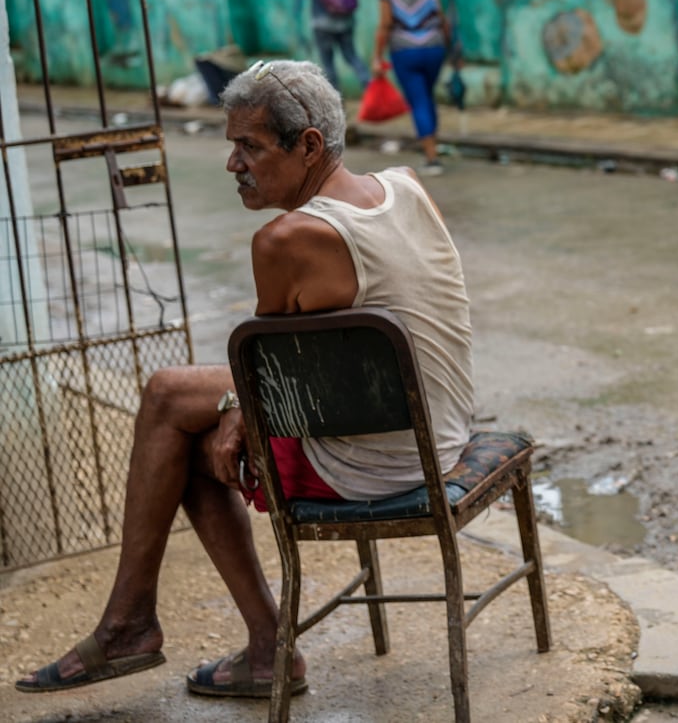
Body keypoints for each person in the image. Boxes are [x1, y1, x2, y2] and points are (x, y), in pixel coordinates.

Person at [16, 59, 474, 700]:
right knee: (172, 398)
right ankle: (151, 626)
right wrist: (238, 399)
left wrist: (238, 405)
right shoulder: (404, 184)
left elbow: (270, 379)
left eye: (249, 146)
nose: (234, 164)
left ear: (308, 145)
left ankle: (227, 640)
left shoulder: (288, 238)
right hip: (439, 433)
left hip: (379, 461)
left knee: (185, 442)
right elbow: (279, 364)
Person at [371, 0, 453, 176]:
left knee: (418, 100)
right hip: (434, 48)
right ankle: (431, 144)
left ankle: (432, 158)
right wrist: (450, 46)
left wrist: (377, 56)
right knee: (426, 96)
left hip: (405, 51)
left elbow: (385, 24)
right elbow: (440, 17)